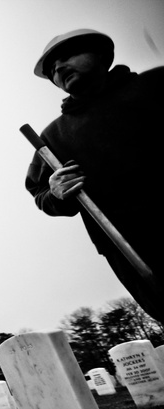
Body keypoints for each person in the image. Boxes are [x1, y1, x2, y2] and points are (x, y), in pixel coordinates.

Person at [25, 28, 164, 322]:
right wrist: (56, 193)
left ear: (101, 54)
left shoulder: (158, 84)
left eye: (66, 57)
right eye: (52, 70)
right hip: (137, 251)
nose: (59, 68)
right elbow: (41, 193)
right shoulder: (53, 138)